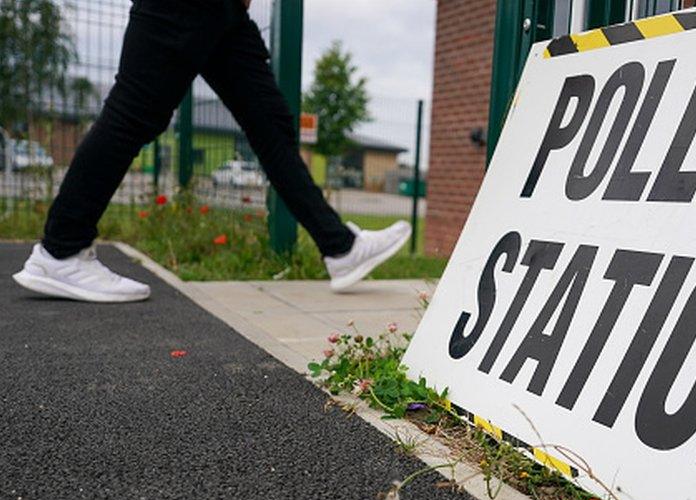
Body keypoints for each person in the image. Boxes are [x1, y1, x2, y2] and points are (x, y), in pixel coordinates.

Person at [11, 0, 409, 303]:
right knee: (135, 113)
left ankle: (339, 247)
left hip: (227, 11)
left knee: (270, 122)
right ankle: (60, 250)